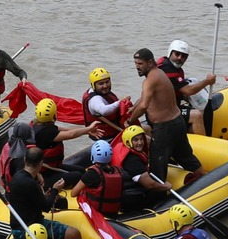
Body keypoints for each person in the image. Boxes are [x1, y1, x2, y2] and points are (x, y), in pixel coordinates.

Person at [133, 46, 200, 183]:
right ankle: (205, 178)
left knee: (157, 169)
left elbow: (144, 105)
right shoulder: (160, 73)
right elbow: (143, 99)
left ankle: (158, 197)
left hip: (164, 129)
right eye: (136, 64)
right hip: (177, 122)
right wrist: (133, 108)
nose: (137, 67)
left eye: (140, 64)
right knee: (187, 159)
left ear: (150, 62)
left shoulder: (150, 80)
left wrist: (130, 120)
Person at [157, 40, 215, 134]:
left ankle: (189, 138)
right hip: (164, 112)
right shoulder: (167, 69)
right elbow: (188, 90)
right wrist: (207, 81)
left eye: (183, 56)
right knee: (196, 115)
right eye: (177, 54)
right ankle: (203, 144)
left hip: (171, 107)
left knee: (201, 113)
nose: (180, 58)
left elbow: (178, 90)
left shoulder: (174, 68)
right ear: (170, 52)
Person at [83, 67, 125, 140]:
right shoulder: (94, 99)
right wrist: (120, 102)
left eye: (107, 82)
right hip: (104, 139)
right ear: (93, 85)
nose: (105, 86)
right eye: (101, 83)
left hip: (115, 133)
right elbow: (104, 111)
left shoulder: (103, 92)